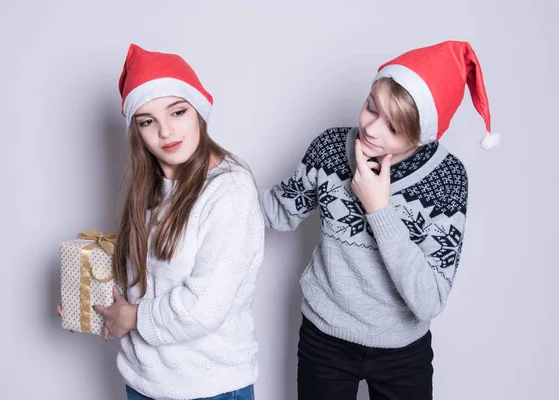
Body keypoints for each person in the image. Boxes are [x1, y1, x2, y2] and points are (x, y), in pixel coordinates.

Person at [259, 40, 499, 400]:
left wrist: (379, 210)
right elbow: (277, 211)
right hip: (324, 339)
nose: (372, 129)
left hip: (403, 352)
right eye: (371, 107)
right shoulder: (328, 150)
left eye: (395, 127)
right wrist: (208, 179)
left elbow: (429, 300)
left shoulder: (447, 179)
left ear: (422, 134)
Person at [59, 43, 264, 400]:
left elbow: (204, 308)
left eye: (177, 112)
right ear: (136, 129)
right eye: (148, 121)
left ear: (198, 110)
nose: (166, 132)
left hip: (208, 388)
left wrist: (132, 318)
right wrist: (93, 304)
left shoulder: (230, 190)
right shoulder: (149, 184)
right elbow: (145, 278)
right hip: (143, 382)